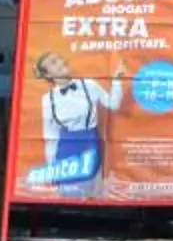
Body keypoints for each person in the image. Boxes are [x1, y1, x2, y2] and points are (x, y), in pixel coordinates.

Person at [19, 50, 126, 192]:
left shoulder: (89, 85)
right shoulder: (48, 99)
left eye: (59, 58)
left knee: (93, 191)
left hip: (90, 143)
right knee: (69, 194)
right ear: (48, 75)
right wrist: (52, 168)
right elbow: (50, 136)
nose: (60, 62)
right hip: (65, 150)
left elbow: (113, 104)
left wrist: (117, 82)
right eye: (53, 62)